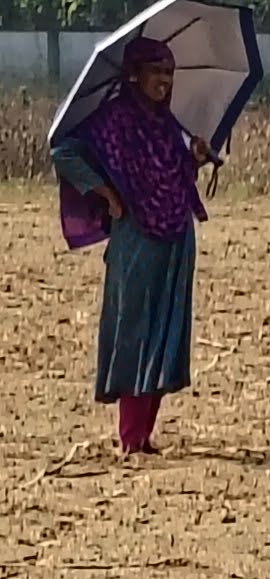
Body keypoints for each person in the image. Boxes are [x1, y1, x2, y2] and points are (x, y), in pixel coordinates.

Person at [50, 36, 218, 457]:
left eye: (169, 73)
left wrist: (195, 158)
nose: (164, 81)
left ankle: (145, 436)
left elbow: (174, 177)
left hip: (177, 234)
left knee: (166, 330)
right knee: (134, 330)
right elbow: (63, 151)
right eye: (156, 72)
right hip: (135, 237)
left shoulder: (166, 125)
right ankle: (129, 436)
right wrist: (104, 193)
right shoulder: (114, 121)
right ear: (134, 75)